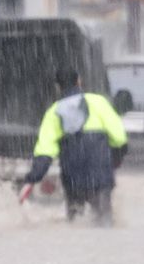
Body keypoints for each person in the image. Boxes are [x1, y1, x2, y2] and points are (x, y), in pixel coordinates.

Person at [24, 67, 128, 225]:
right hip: (100, 174)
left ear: (58, 87)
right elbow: (119, 138)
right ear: (79, 81)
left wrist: (33, 177)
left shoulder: (53, 113)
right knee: (105, 222)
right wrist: (117, 157)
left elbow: (45, 152)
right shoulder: (98, 102)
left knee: (75, 221)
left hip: (73, 177)